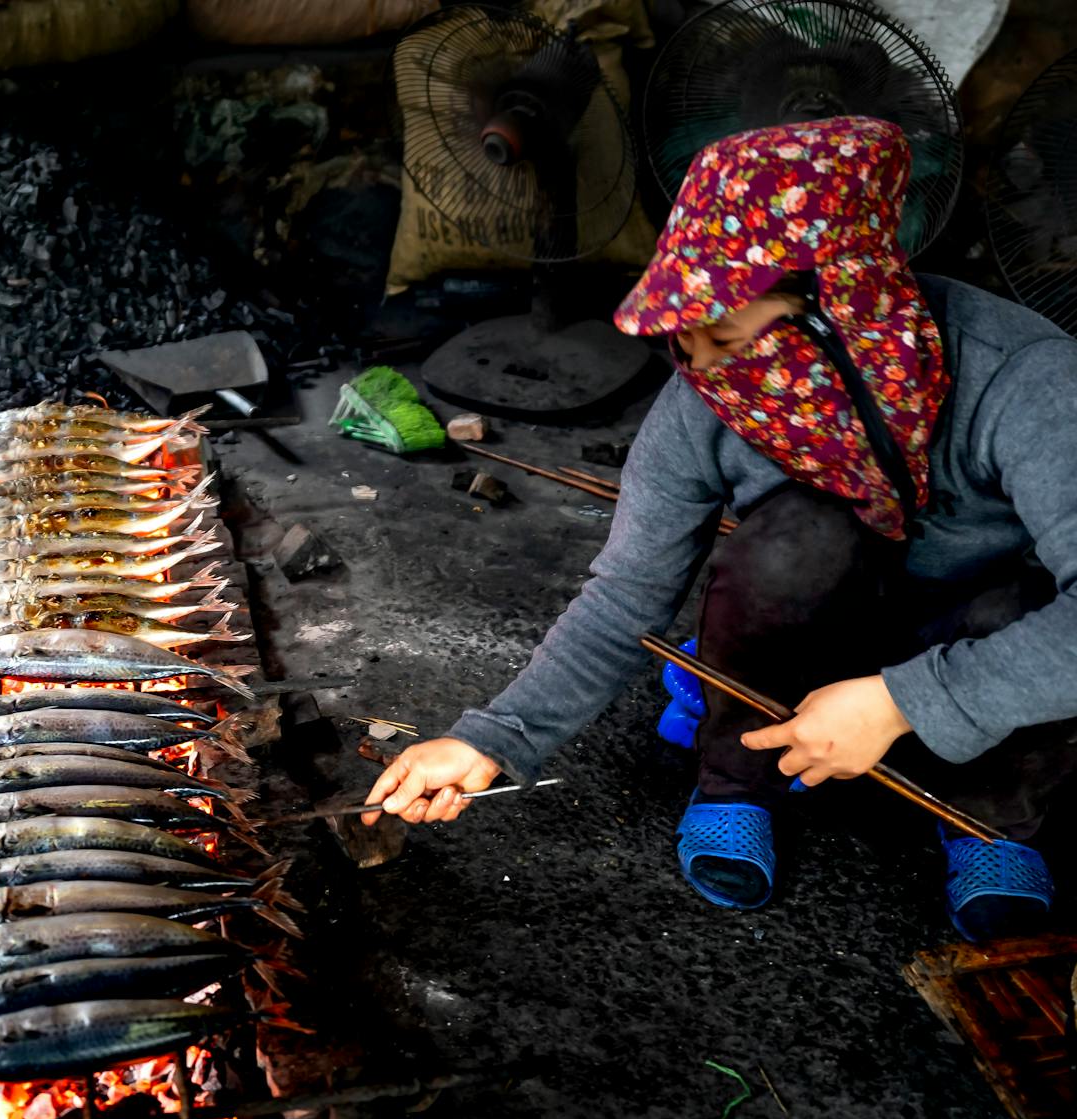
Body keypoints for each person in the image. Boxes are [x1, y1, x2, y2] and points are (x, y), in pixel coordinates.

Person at [363, 115, 1077, 941]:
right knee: (793, 543)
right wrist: (492, 739)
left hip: (984, 654)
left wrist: (902, 700)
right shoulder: (703, 392)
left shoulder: (1026, 379)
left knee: (1023, 604)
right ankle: (740, 779)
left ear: (839, 307)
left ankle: (994, 815)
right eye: (684, 336)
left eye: (728, 335)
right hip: (822, 637)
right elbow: (627, 591)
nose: (700, 367)